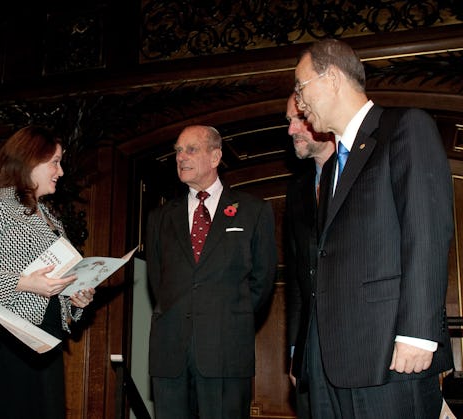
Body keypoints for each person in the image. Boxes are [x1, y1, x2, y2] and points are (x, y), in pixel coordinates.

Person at [294, 38, 453, 418]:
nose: (299, 103)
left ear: (331, 78)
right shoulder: (333, 167)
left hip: (389, 355)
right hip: (330, 361)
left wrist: (418, 332)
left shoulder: (404, 128)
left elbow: (427, 232)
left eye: (301, 88)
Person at [0, 124, 96, 419]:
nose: (60, 171)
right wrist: (24, 283)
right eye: (55, 162)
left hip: (44, 337)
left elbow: (55, 282)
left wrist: (75, 301)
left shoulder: (53, 219)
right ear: (30, 160)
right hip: (2, 336)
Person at [145, 124, 278, 418]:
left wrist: (229, 317)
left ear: (215, 156)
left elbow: (262, 280)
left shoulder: (254, 211)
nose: (181, 157)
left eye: (191, 149)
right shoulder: (159, 218)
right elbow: (158, 280)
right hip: (170, 352)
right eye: (178, 151)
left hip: (226, 350)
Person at [283, 92, 335, 419]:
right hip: (309, 356)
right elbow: (297, 282)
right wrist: (294, 351)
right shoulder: (296, 190)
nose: (291, 130)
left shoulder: (362, 173)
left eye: (299, 118)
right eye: (289, 121)